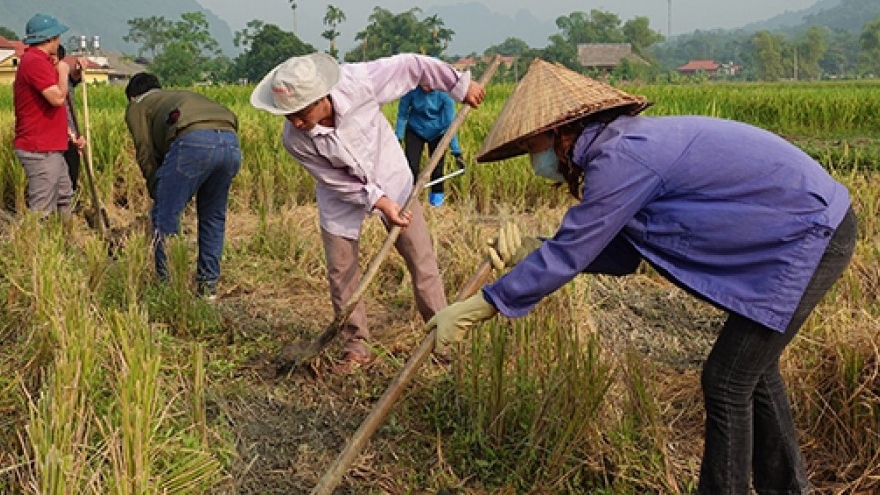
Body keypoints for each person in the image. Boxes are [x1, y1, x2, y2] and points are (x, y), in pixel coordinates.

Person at [426, 58, 856, 494]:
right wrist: (534, 250)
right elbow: (618, 252)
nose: (532, 156)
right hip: (798, 230)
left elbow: (572, 252)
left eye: (532, 142)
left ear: (560, 131)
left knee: (727, 379)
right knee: (752, 371)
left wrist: (481, 305)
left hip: (810, 232)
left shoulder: (622, 157)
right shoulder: (621, 145)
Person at [250, 52, 485, 369]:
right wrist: (377, 201)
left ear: (322, 97)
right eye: (286, 114)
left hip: (392, 177)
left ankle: (442, 340)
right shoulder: (295, 139)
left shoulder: (357, 82)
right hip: (342, 196)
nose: (295, 121)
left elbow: (412, 66)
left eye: (300, 111)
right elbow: (334, 179)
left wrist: (459, 86)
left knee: (421, 258)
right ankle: (356, 347)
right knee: (341, 271)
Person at [124, 72, 241, 300]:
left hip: (193, 141)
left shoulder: (137, 105)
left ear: (132, 96)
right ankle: (208, 288)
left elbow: (144, 150)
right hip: (230, 142)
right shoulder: (175, 97)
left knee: (165, 215)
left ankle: (169, 287)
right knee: (213, 216)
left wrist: (157, 190)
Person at [13, 13, 83, 217]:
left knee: (64, 196)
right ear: (49, 38)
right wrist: (63, 71)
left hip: (53, 145)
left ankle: (66, 242)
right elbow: (57, 99)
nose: (59, 41)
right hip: (40, 147)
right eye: (57, 37)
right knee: (42, 206)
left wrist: (70, 136)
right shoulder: (34, 62)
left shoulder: (41, 61)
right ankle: (35, 246)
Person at [395, 84, 467, 206]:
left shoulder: (445, 95)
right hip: (415, 130)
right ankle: (409, 202)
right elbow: (402, 116)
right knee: (412, 166)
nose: (427, 86)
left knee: (437, 169)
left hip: (438, 132)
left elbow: (451, 124)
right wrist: (398, 138)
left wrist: (456, 151)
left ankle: (436, 203)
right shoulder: (411, 91)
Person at [52, 44, 88, 194]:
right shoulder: (42, 79)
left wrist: (79, 69)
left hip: (71, 138)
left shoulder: (64, 76)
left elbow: (74, 76)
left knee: (71, 178)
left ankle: (68, 211)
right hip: (52, 139)